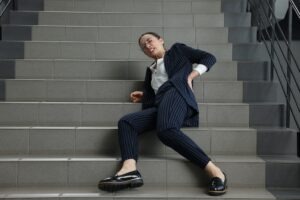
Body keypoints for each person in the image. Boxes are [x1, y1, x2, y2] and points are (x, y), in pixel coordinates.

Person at [98, 32, 227, 196]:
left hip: (177, 93)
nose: (147, 46)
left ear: (161, 40)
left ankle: (215, 172)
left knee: (166, 131)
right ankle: (129, 170)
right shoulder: (150, 71)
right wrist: (145, 95)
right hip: (162, 104)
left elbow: (209, 57)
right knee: (127, 122)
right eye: (143, 47)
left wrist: (190, 76)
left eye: (149, 41)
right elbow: (157, 94)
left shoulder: (178, 50)